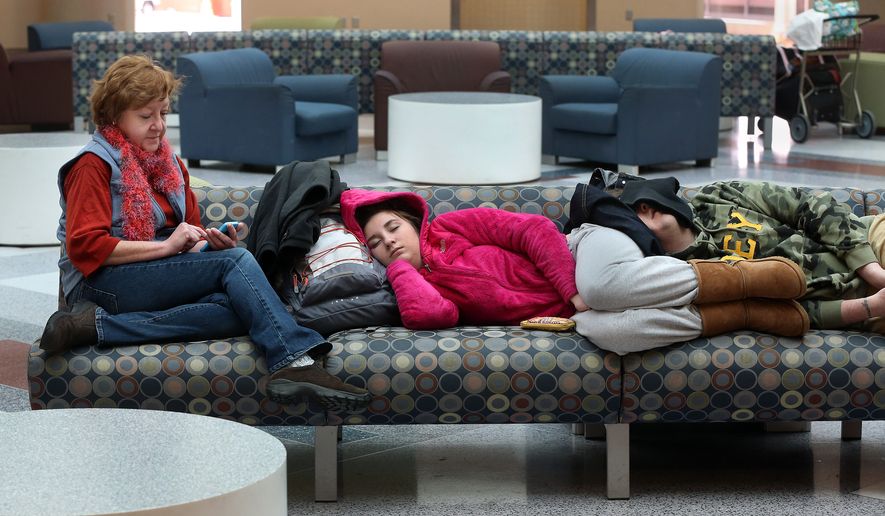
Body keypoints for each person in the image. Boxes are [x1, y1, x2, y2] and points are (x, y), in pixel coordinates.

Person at [39, 55, 370, 410]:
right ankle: (294, 360)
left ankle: (94, 327)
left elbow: (189, 231)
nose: (159, 126)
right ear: (114, 117)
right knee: (235, 264)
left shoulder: (169, 163)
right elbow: (85, 248)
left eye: (163, 113)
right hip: (101, 282)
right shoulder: (92, 165)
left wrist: (205, 243)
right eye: (145, 116)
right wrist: (169, 247)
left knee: (239, 305)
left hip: (146, 279)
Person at [567, 177, 885, 353]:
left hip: (870, 241)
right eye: (630, 211)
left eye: (644, 201)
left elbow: (808, 204)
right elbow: (782, 312)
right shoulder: (672, 276)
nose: (645, 209)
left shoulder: (717, 196)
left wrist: (870, 269)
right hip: (857, 303)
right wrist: (869, 306)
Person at [338, 188, 588, 329]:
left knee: (613, 290)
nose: (389, 241)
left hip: (581, 260)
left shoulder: (448, 227)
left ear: (412, 222)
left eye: (393, 228)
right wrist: (400, 269)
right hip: (576, 318)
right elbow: (430, 315)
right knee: (622, 332)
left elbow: (533, 229)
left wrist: (572, 291)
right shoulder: (412, 286)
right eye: (376, 243)